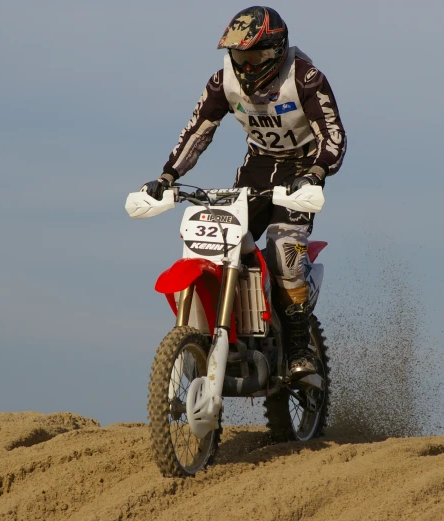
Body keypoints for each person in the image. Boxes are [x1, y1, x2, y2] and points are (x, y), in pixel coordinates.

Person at [141, 6, 347, 378]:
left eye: (257, 56)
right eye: (241, 57)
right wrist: (168, 176)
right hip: (255, 172)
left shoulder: (305, 78)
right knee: (221, 242)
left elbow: (334, 136)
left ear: (277, 50)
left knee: (285, 255)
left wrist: (317, 173)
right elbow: (197, 132)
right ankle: (224, 333)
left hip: (300, 173)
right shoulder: (223, 83)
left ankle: (300, 349)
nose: (248, 66)